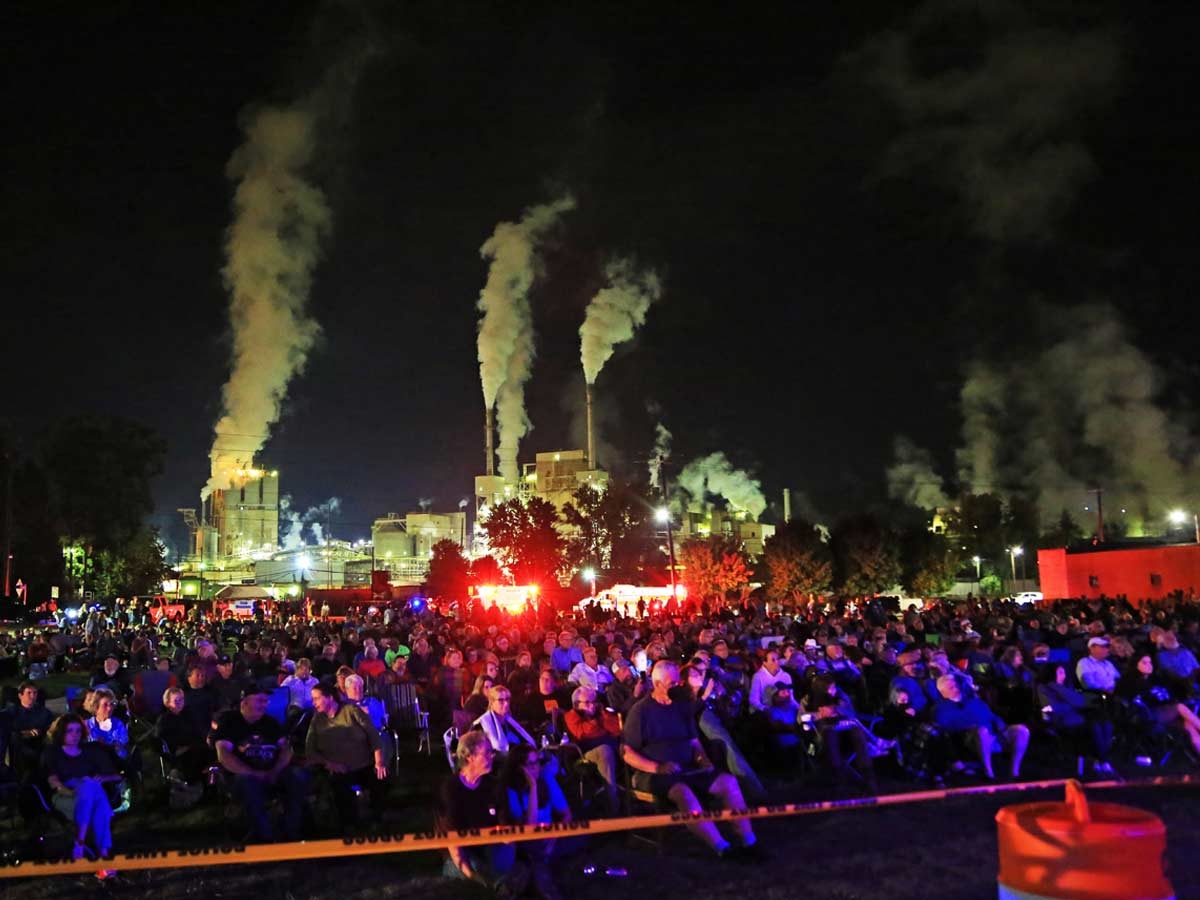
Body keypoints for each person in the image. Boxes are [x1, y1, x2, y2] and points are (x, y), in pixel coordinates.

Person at [621, 660, 763, 860]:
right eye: (672, 683)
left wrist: (702, 758)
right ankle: (723, 848)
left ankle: (749, 841)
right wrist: (657, 767)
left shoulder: (681, 707)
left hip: (688, 767)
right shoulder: (641, 711)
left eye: (678, 682)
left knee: (728, 782)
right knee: (683, 792)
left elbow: (694, 741)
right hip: (655, 772)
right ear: (657, 684)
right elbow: (628, 753)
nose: (678, 686)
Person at [213, 686, 310, 843]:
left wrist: (276, 770)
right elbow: (224, 754)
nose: (265, 704)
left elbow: (286, 748)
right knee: (247, 784)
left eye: (266, 700)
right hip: (244, 775)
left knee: (298, 777)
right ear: (244, 703)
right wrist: (252, 773)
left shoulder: (270, 723)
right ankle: (264, 835)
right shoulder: (229, 723)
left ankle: (290, 831)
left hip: (273, 773)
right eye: (260, 700)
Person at [439, 731, 530, 895]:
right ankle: (499, 885)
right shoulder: (451, 788)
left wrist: (511, 836)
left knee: (506, 855)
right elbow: (453, 840)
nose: (492, 756)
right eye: (487, 753)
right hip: (463, 852)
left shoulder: (494, 785)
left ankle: (499, 884)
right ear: (469, 757)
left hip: (490, 847)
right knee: (478, 872)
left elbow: (505, 824)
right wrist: (471, 874)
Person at [305, 683, 388, 829]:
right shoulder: (317, 720)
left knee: (380, 777)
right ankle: (351, 824)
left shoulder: (351, 711)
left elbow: (373, 736)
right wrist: (328, 763)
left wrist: (379, 761)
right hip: (337, 768)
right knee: (339, 785)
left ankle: (377, 819)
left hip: (363, 764)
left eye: (317, 699)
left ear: (330, 698)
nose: (314, 703)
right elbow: (310, 750)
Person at [42, 713, 121, 859]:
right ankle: (102, 852)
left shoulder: (91, 751)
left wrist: (104, 777)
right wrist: (72, 791)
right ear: (61, 733)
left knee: (91, 787)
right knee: (94, 794)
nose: (75, 735)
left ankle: (81, 843)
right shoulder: (53, 753)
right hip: (65, 796)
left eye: (78, 731)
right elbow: (53, 781)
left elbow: (117, 776)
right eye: (70, 731)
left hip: (88, 796)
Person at [933, 674, 1029, 780]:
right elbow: (945, 726)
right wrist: (971, 726)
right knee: (982, 731)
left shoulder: (974, 701)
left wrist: (999, 722)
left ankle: (1015, 772)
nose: (956, 689)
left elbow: (991, 716)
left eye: (956, 685)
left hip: (994, 733)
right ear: (942, 692)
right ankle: (989, 773)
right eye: (951, 688)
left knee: (1021, 730)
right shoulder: (941, 708)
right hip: (972, 738)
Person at [1037, 664, 1114, 774]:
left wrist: (1069, 704)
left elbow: (1079, 701)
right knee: (1094, 727)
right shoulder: (1044, 688)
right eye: (1060, 672)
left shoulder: (1066, 687)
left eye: (1064, 672)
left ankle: (1100, 760)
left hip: (1076, 718)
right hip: (1060, 721)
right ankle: (1102, 761)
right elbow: (1048, 708)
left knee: (1106, 724)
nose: (1063, 676)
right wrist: (1068, 705)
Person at [563, 685, 620, 814]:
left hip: (610, 746)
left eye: (594, 701)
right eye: (588, 702)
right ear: (577, 704)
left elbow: (617, 729)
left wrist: (604, 715)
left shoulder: (599, 713)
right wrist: (597, 721)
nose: (592, 705)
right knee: (605, 750)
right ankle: (613, 804)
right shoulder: (571, 716)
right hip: (582, 754)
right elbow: (582, 734)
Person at [156, 686, 213, 783]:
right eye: (176, 700)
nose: (179, 703)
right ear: (168, 703)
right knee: (196, 758)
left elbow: (197, 729)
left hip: (194, 745)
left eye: (181, 699)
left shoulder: (188, 713)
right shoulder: (164, 720)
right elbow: (162, 740)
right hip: (179, 751)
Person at [9, 681, 53, 778]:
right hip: (19, 746)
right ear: (20, 695)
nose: (32, 696)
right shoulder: (12, 712)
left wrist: (40, 732)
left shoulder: (45, 713)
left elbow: (52, 728)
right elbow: (7, 730)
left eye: (35, 693)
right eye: (29, 693)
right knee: (14, 738)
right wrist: (23, 733)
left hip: (40, 744)